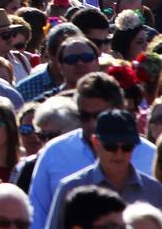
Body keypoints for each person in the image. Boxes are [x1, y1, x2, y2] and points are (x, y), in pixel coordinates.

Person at [29, 73, 156, 229]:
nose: (90, 124)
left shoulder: (150, 156)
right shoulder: (54, 152)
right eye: (84, 116)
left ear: (118, 110)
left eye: (98, 116)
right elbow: (38, 217)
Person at [44, 110, 162, 229]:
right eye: (111, 146)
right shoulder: (71, 188)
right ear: (96, 142)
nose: (119, 153)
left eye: (127, 147)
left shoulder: (155, 190)